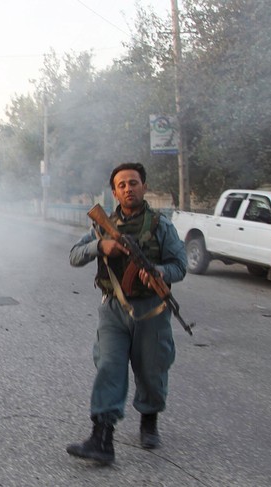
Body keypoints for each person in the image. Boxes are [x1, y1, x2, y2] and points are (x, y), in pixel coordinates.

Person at [66, 162, 187, 465]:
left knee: (151, 369)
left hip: (151, 311)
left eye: (133, 183)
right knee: (109, 366)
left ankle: (149, 419)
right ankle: (101, 438)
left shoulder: (161, 226)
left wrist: (158, 271)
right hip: (114, 309)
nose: (128, 188)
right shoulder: (100, 225)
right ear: (114, 192)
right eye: (121, 185)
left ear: (144, 187)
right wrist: (100, 246)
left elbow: (180, 266)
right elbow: (74, 256)